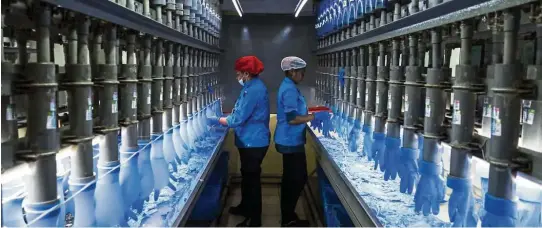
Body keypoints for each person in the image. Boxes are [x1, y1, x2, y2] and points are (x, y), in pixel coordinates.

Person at [208, 55, 270, 227]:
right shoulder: (251, 87)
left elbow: (238, 119)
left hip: (254, 142)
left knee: (252, 181)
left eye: (238, 73)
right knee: (247, 176)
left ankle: (254, 219)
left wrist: (216, 120)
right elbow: (239, 111)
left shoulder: (254, 90)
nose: (237, 77)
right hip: (249, 140)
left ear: (246, 73)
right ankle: (244, 207)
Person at [274, 56, 330, 227]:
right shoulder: (289, 90)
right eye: (301, 72)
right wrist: (313, 116)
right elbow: (291, 118)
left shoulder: (289, 86)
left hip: (290, 139)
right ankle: (288, 218)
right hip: (290, 141)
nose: (303, 75)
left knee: (291, 179)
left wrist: (312, 113)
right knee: (297, 178)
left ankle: (288, 216)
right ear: (292, 71)